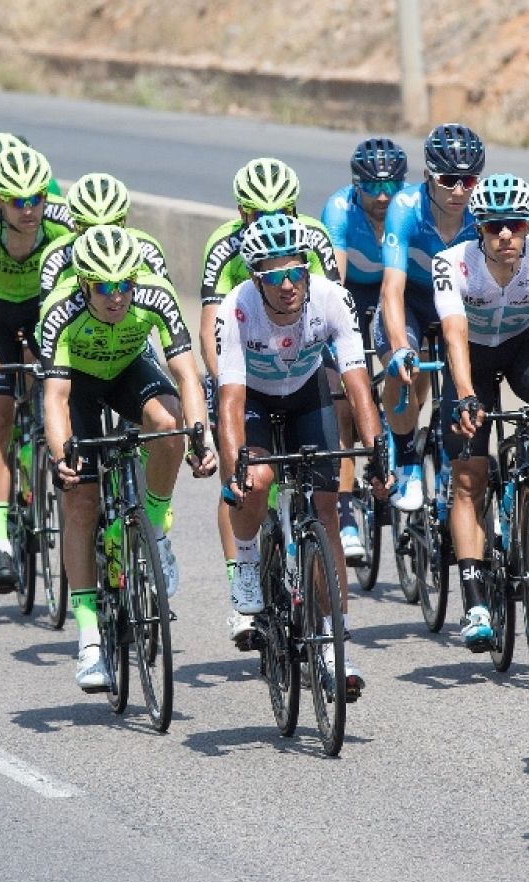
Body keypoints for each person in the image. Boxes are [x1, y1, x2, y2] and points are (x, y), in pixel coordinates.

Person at [215, 212, 384, 696]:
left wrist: (378, 450)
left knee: (327, 508)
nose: (288, 284)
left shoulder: (332, 298)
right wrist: (234, 472)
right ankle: (247, 563)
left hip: (308, 395)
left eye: (296, 271)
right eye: (275, 276)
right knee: (259, 481)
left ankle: (335, 654)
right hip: (255, 402)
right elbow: (229, 402)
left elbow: (357, 385)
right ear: (256, 278)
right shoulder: (237, 308)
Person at [41, 226, 215, 690]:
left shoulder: (155, 295)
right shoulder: (60, 311)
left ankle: (153, 529)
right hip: (78, 383)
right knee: (80, 498)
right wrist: (64, 458)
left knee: (170, 423)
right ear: (84, 286)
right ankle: (90, 640)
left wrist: (201, 438)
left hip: (126, 371)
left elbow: (186, 374)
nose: (117, 297)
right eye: (105, 288)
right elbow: (55, 398)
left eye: (125, 286)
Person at [434, 174, 529, 649]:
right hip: (468, 354)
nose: (506, 236)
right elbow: (453, 333)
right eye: (494, 227)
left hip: (520, 346)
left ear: (528, 224)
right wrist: (466, 394)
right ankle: (475, 604)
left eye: (515, 225)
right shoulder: (451, 264)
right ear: (479, 228)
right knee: (470, 475)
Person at [199, 157, 340, 587]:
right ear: (243, 213)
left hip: (302, 354)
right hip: (244, 356)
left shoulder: (312, 237)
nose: (274, 223)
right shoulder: (224, 247)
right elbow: (209, 330)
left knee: (339, 403)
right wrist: (225, 382)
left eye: (284, 213)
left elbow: (334, 313)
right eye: (261, 215)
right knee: (242, 478)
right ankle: (240, 579)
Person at [0, 144, 75, 588]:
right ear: (0, 201)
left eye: (37, 198)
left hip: (44, 310)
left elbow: (68, 288)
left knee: (56, 398)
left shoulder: (61, 220)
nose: (30, 209)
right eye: (18, 201)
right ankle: (0, 541)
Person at [378, 123, 484, 512]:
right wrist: (401, 347)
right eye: (448, 180)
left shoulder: (481, 210)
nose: (459, 190)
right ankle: (405, 454)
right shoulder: (405, 208)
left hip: (457, 301)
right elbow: (392, 288)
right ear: (427, 177)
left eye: (469, 180)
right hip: (413, 299)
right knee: (402, 368)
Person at [321, 137, 405, 560]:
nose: (383, 196)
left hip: (393, 291)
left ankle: (400, 442)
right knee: (342, 402)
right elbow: (333, 281)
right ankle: (345, 508)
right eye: (372, 186)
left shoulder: (406, 208)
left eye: (392, 185)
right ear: (357, 185)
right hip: (351, 291)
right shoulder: (339, 210)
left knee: (404, 365)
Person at [37, 172, 168, 296]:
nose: (103, 237)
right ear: (75, 226)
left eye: (112, 226)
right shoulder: (56, 258)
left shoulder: (148, 250)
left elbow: (166, 301)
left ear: (125, 220)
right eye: (89, 228)